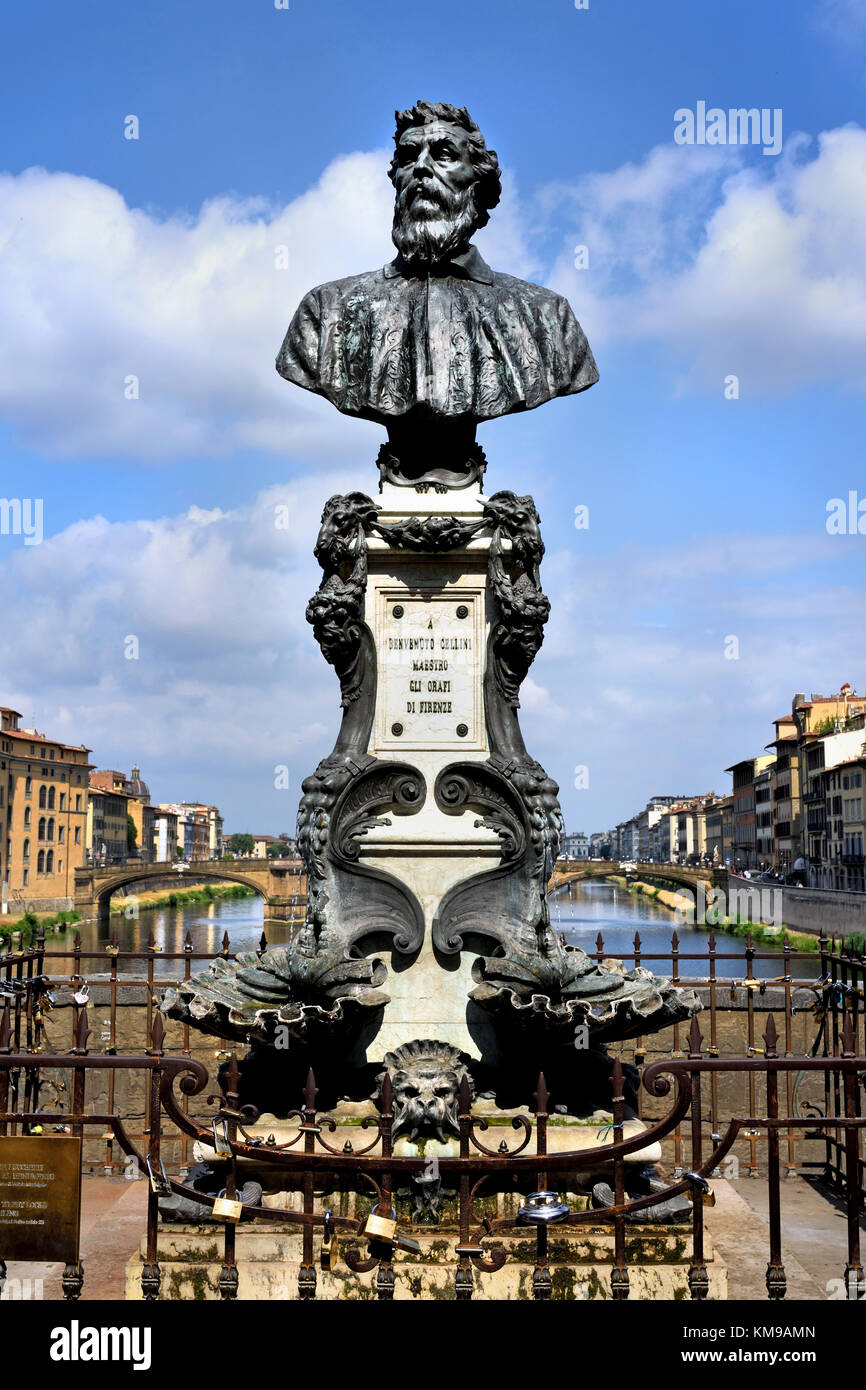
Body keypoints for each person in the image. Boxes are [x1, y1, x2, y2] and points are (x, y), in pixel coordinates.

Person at [277, 101, 598, 490]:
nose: (422, 168)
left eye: (444, 154)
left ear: (477, 182)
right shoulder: (327, 312)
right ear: (395, 177)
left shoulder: (546, 315)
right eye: (409, 157)